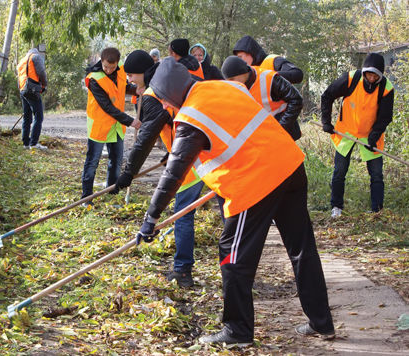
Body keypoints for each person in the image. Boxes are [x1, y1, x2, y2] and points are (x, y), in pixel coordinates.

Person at [135, 57, 335, 346]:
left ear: (171, 94)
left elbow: (174, 173)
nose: (166, 108)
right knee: (301, 247)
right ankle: (321, 322)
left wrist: (150, 218)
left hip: (257, 183)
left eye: (165, 101)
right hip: (289, 167)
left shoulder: (191, 117)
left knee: (232, 256)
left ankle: (237, 331)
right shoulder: (227, 88)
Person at [113, 50, 205, 287]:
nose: (130, 80)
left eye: (132, 75)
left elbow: (145, 139)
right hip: (193, 153)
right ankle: (232, 267)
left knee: (181, 215)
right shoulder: (164, 85)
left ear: (144, 72)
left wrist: (128, 172)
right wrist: (169, 151)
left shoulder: (155, 95)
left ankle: (183, 271)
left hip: (193, 162)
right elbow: (176, 120)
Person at [321, 52, 394, 218]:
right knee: (339, 171)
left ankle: (377, 210)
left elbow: (385, 117)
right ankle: (336, 207)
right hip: (346, 132)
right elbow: (327, 95)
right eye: (368, 74)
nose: (371, 78)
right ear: (364, 72)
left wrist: (374, 137)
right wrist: (326, 121)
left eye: (375, 75)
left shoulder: (386, 88)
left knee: (376, 174)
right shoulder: (350, 79)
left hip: (370, 135)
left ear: (380, 76)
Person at [81, 47, 141, 206]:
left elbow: (123, 88)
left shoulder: (121, 70)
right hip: (99, 126)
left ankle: (112, 192)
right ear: (101, 61)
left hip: (115, 127)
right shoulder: (94, 79)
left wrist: (137, 90)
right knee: (92, 162)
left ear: (117, 64)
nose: (108, 70)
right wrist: (130, 121)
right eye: (105, 66)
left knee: (116, 160)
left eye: (112, 68)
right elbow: (107, 106)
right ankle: (86, 197)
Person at [221, 55, 302, 140]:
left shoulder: (270, 78)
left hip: (285, 132)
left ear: (243, 72)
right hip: (264, 137)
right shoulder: (237, 88)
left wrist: (280, 128)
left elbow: (296, 100)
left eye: (232, 79)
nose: (231, 83)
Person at [233, 35, 303, 84]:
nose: (239, 62)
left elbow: (297, 74)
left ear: (250, 53)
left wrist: (268, 76)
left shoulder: (273, 60)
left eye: (240, 57)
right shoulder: (246, 75)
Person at [17, 48, 48, 150]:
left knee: (27, 117)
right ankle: (33, 144)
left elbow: (20, 78)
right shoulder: (35, 57)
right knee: (39, 116)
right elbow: (41, 72)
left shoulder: (22, 61)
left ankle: (26, 143)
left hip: (23, 89)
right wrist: (44, 85)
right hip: (32, 89)